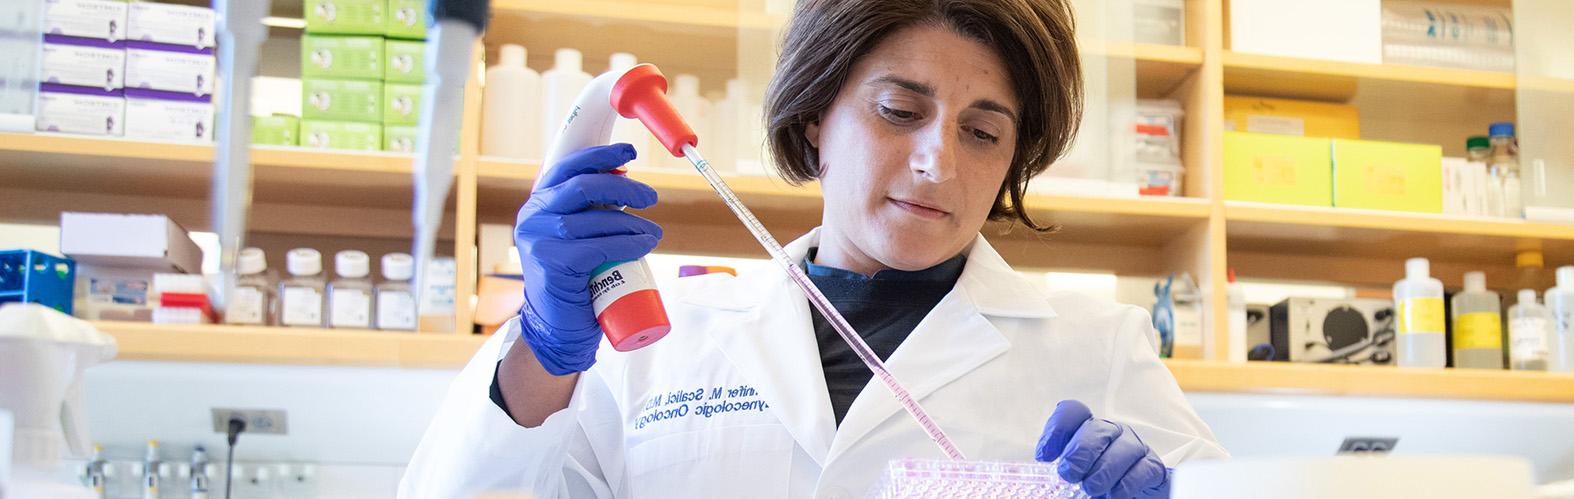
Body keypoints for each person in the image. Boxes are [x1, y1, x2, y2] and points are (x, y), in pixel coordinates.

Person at [397, 0, 1227, 497]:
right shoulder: (665, 340)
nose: (939, 160)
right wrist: (541, 352)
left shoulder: (1098, 349)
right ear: (813, 117)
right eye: (900, 111)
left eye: (982, 130)